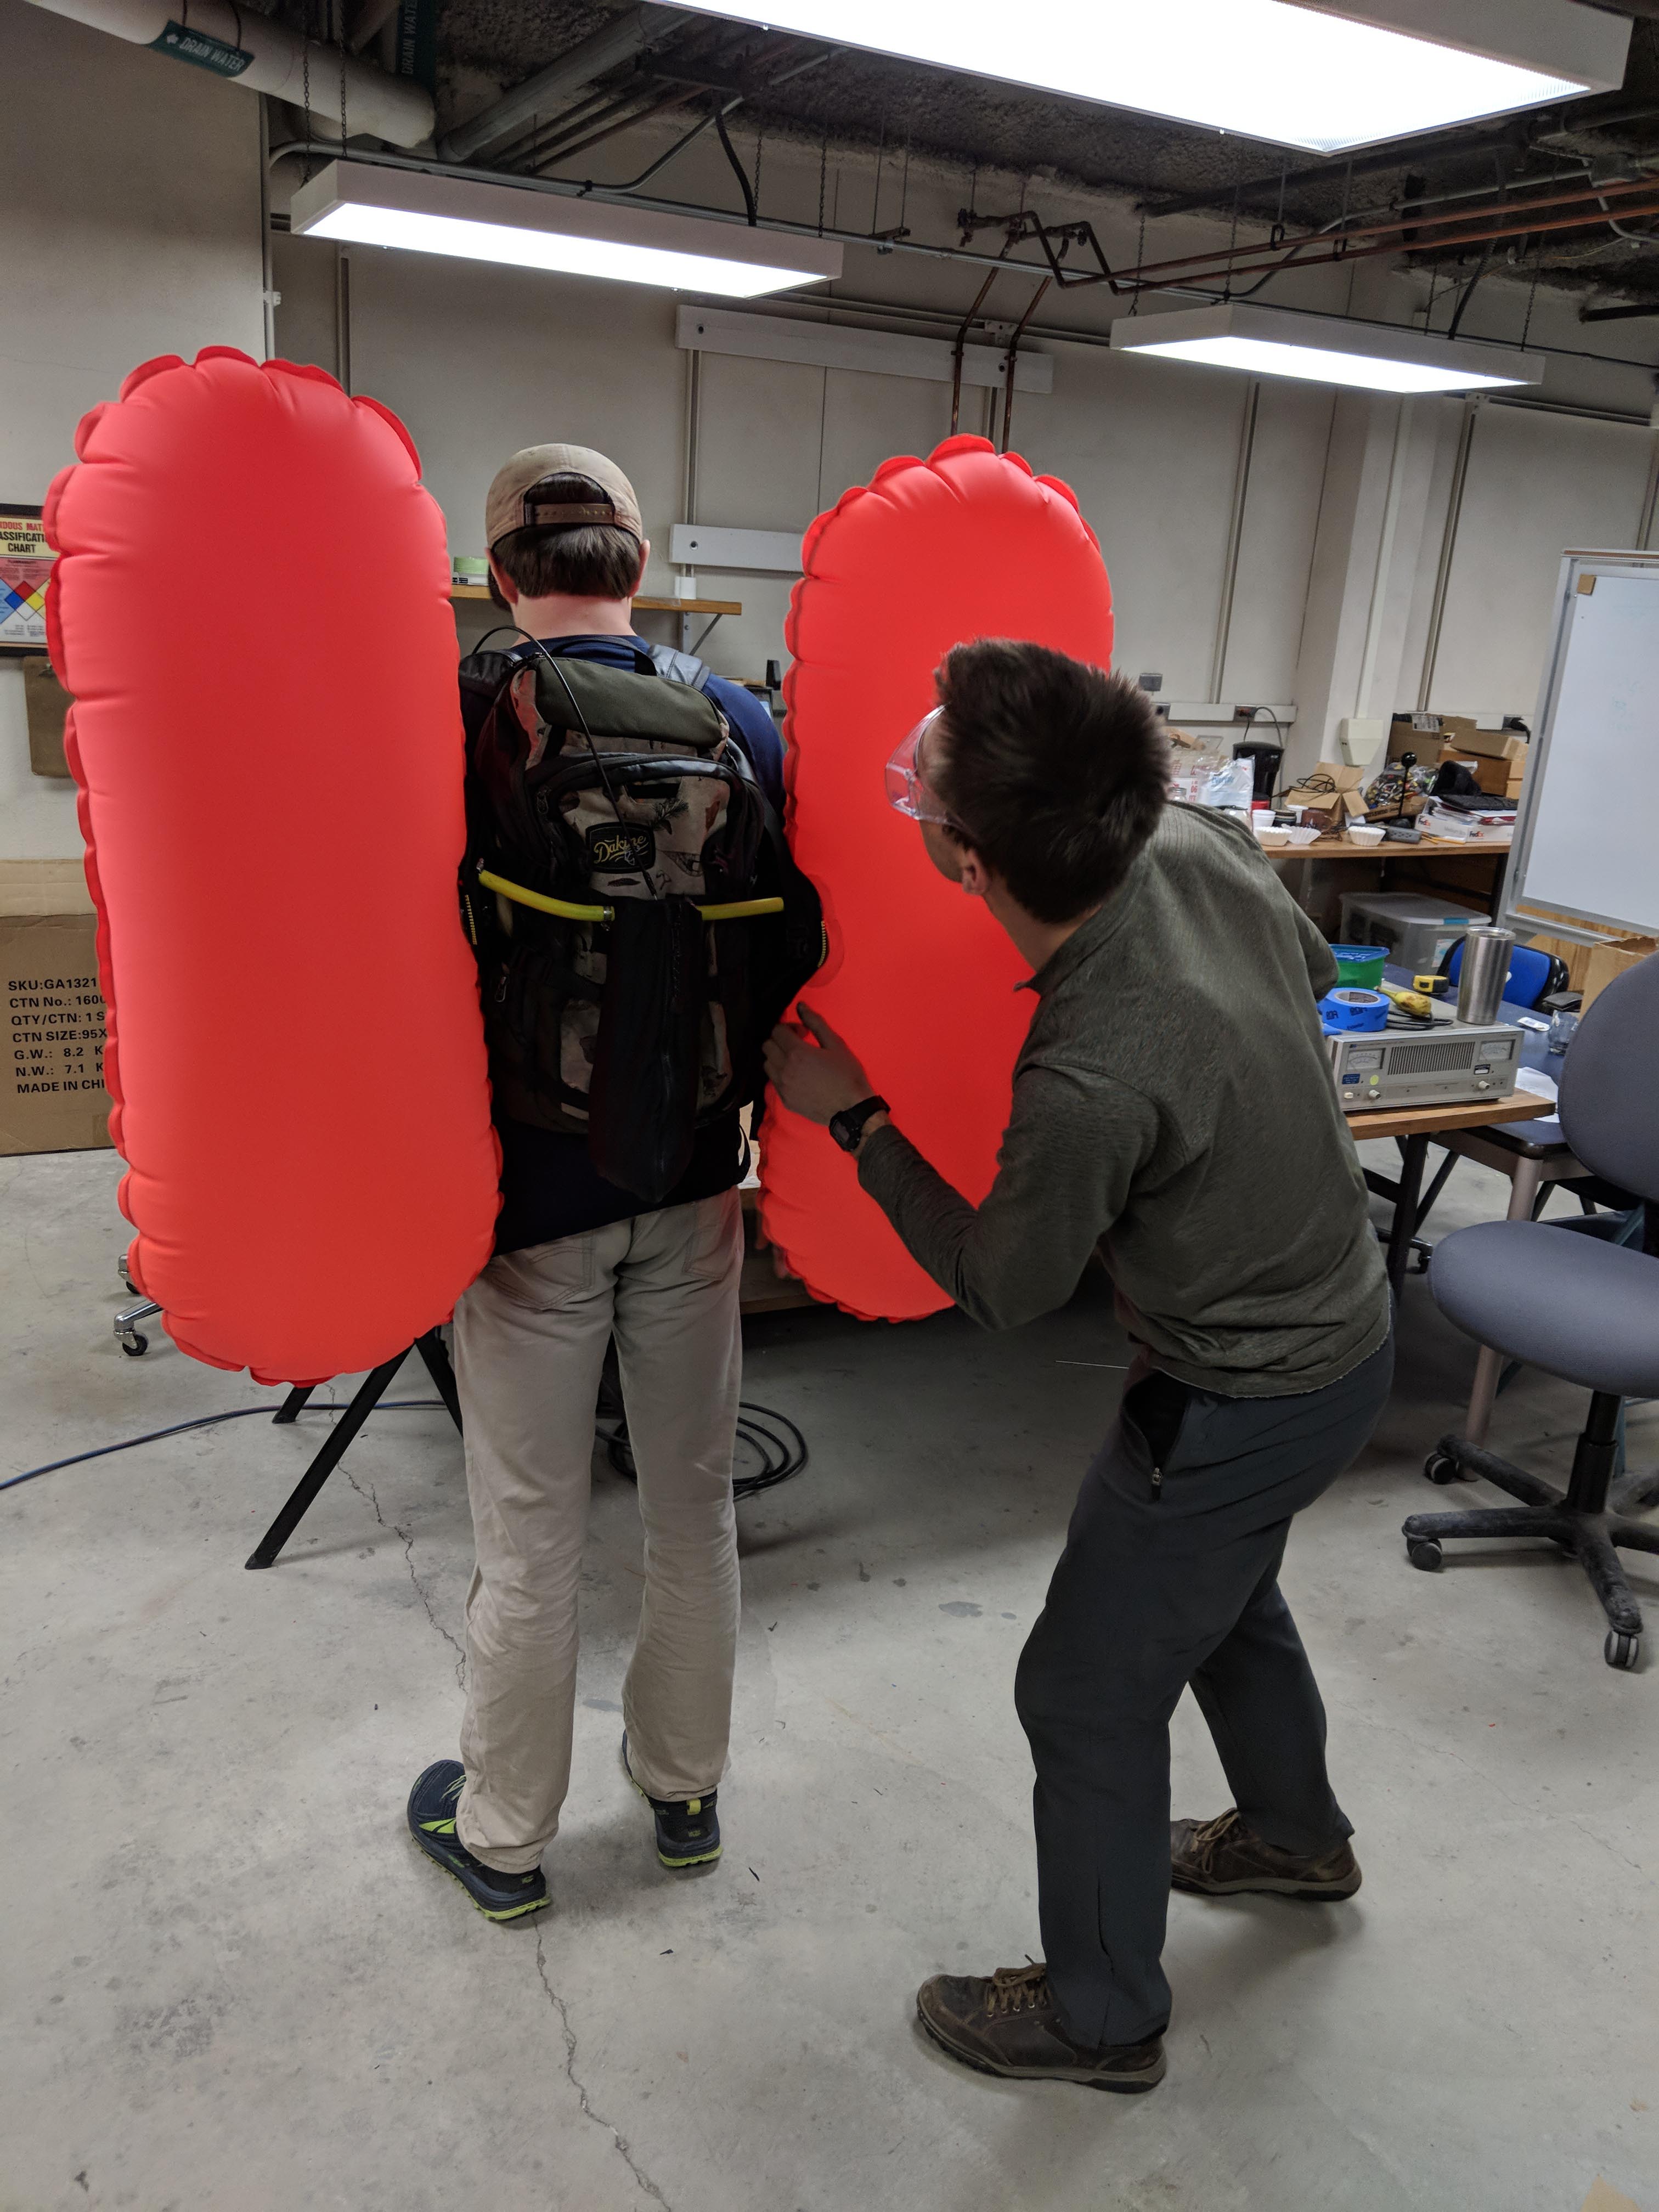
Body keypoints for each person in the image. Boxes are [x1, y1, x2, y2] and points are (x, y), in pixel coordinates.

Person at [764, 638, 1392, 2091]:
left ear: (970, 862)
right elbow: (1300, 976)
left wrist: (855, 1119)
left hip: (1240, 1390)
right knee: (1224, 1603)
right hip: (1347, 1333)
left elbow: (1006, 1283)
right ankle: (1295, 1841)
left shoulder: (1093, 1066)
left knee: (1085, 1694)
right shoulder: (1205, 841)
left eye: (926, 799)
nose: (914, 804)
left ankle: (1104, 2016)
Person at [408, 444, 786, 1921]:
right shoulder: (739, 717)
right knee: (692, 1509)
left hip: (529, 1193)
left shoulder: (460, 714)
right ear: (635, 567)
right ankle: (684, 1791)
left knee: (531, 1528)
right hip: (698, 1174)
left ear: (502, 574)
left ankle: (504, 1837)